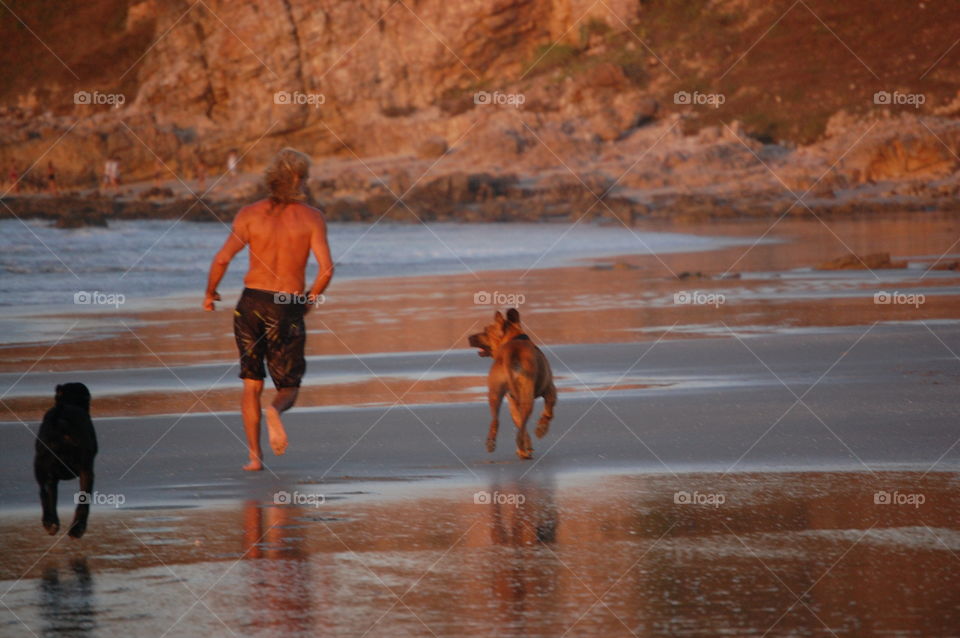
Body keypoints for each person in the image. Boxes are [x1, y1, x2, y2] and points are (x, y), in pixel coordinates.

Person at [203, 148, 334, 471]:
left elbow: (222, 258)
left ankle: (254, 457)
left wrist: (210, 292)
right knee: (288, 386)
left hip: (250, 303)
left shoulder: (249, 213)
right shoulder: (312, 217)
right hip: (286, 305)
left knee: (251, 383)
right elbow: (326, 269)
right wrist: (309, 301)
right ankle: (274, 411)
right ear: (300, 179)